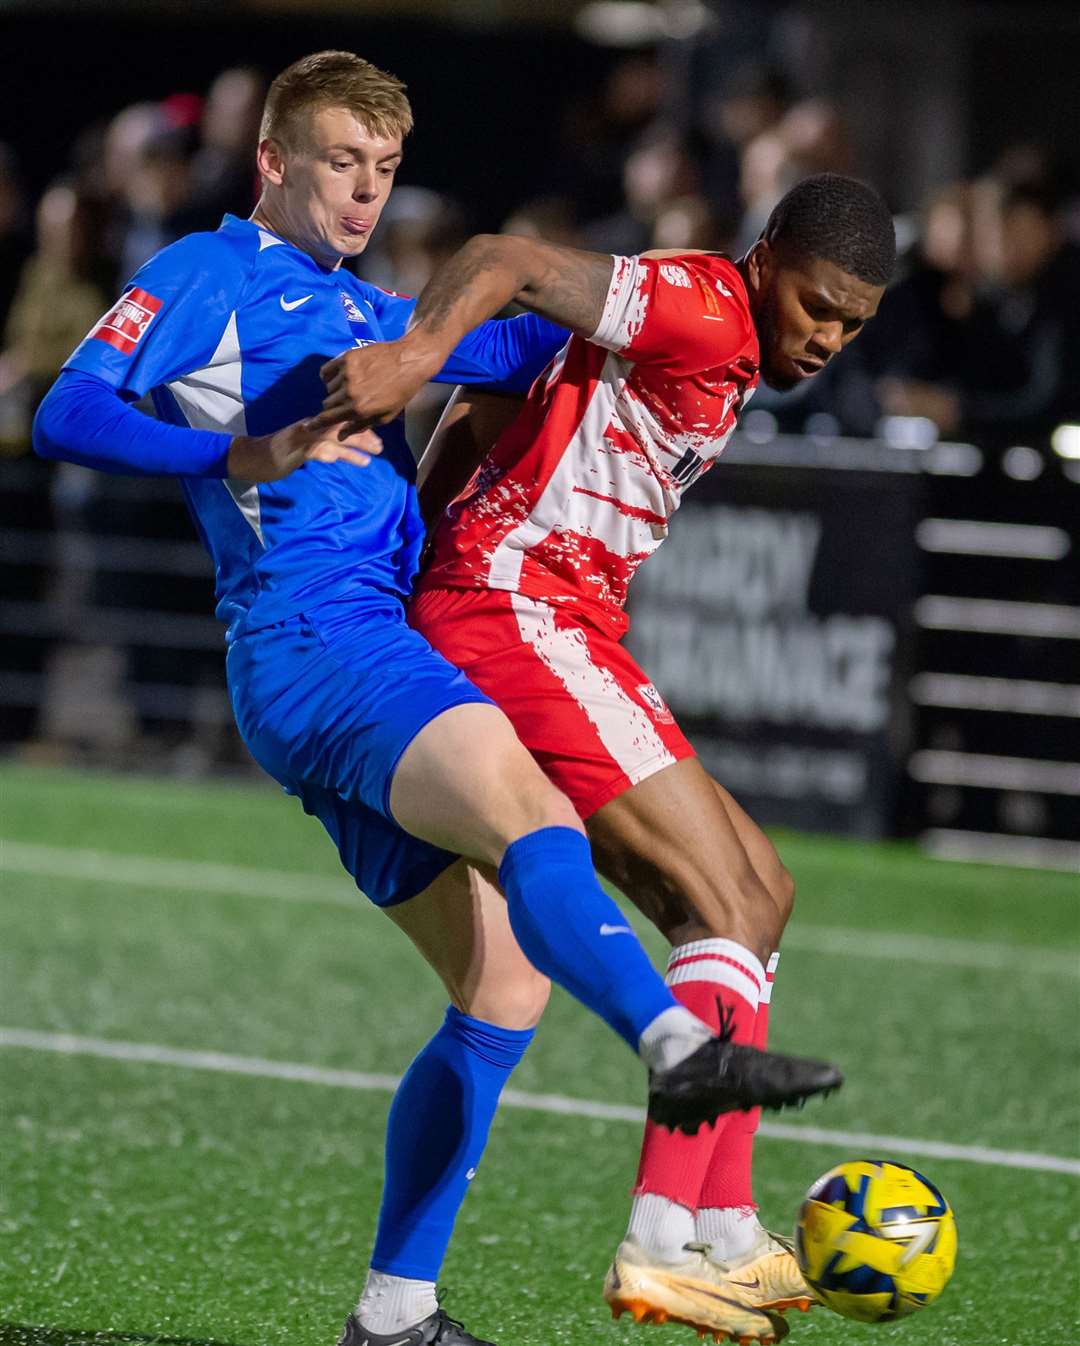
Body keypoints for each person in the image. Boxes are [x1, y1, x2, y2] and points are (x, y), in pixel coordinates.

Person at [32, 51, 841, 1346]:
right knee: (539, 819)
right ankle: (679, 1045)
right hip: (318, 639)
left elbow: (515, 331)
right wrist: (234, 446)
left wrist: (649, 311)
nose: (363, 191)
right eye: (341, 161)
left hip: (359, 656)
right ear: (276, 161)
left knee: (505, 982)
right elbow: (65, 414)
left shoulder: (370, 316)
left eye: (384, 169)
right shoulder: (206, 277)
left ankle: (394, 1314)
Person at [317, 172, 893, 1343]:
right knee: (718, 897)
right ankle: (660, 1237)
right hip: (514, 610)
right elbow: (503, 258)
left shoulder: (731, 346)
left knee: (761, 893)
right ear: (767, 256)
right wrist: (418, 354)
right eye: (819, 307)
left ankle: (723, 1225)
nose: (827, 339)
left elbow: (511, 412)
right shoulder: (698, 303)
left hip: (554, 618)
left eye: (852, 325)